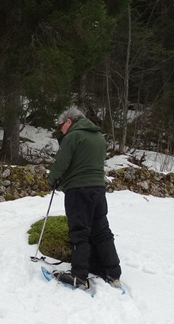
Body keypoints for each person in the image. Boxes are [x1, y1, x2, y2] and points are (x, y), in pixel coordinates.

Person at [47, 106, 122, 290]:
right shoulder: (99, 137)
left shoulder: (73, 136)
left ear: (69, 122)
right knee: (101, 229)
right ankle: (112, 271)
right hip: (98, 188)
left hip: (78, 190)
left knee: (79, 231)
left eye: (61, 125)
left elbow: (62, 162)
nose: (61, 129)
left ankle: (79, 274)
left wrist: (52, 180)